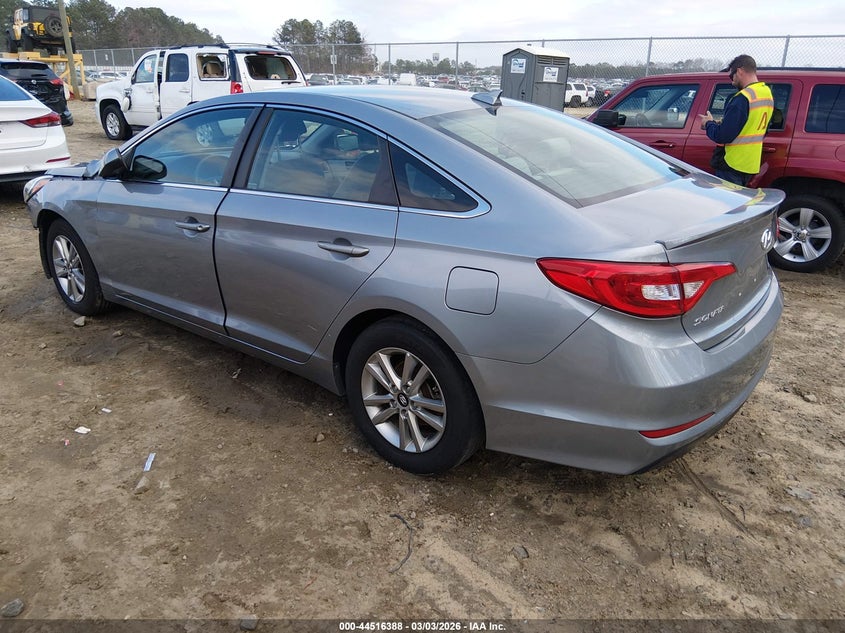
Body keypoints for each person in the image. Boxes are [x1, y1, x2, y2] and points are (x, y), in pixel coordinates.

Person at [697, 54, 774, 186]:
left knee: (726, 204)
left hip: (732, 163)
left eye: (731, 76)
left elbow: (722, 136)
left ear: (739, 71)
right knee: (740, 204)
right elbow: (758, 127)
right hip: (750, 164)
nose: (732, 81)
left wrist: (708, 123)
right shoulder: (766, 94)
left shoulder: (742, 98)